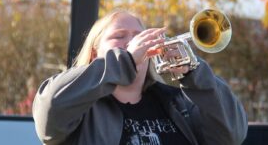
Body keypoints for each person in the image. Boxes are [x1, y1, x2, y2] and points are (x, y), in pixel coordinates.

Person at [32, 9, 248, 145]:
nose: (133, 42)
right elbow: (50, 108)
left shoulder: (179, 102)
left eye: (140, 36)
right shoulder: (81, 109)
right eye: (119, 36)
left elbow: (232, 135)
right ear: (95, 53)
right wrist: (124, 60)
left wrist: (193, 72)